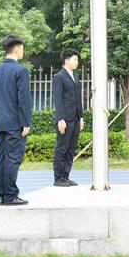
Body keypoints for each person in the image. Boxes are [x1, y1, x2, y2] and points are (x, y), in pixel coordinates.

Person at [0, 35, 31, 206]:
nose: (23, 51)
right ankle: (11, 195)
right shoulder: (20, 71)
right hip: (15, 124)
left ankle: (0, 196)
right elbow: (23, 100)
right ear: (17, 48)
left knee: (0, 159)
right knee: (13, 159)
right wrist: (26, 122)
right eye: (22, 48)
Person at [52, 49, 84, 187]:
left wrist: (81, 117)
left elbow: (78, 99)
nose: (77, 62)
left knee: (71, 149)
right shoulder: (59, 76)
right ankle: (58, 178)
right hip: (65, 119)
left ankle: (66, 176)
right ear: (66, 60)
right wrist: (60, 119)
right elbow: (57, 99)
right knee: (61, 148)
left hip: (76, 118)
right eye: (74, 59)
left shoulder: (75, 77)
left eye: (77, 59)